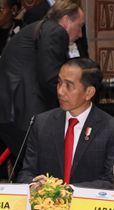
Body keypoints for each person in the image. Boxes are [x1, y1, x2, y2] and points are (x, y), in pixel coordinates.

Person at [17, 58, 114, 189]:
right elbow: (26, 173)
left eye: (68, 85)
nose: (60, 91)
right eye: (59, 83)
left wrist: (67, 190)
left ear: (89, 92)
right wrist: (35, 184)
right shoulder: (41, 123)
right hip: (46, 207)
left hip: (88, 206)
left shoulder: (112, 129)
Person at [0, 0, 85, 160]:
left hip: (12, 111)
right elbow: (51, 78)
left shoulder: (41, 28)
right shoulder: (55, 31)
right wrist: (77, 101)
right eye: (79, 26)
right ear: (66, 20)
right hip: (25, 113)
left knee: (29, 169)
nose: (80, 34)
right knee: (41, 170)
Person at [23, 0, 88, 58]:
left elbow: (82, 44)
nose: (80, 34)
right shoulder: (34, 14)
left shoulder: (76, 9)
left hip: (78, 63)